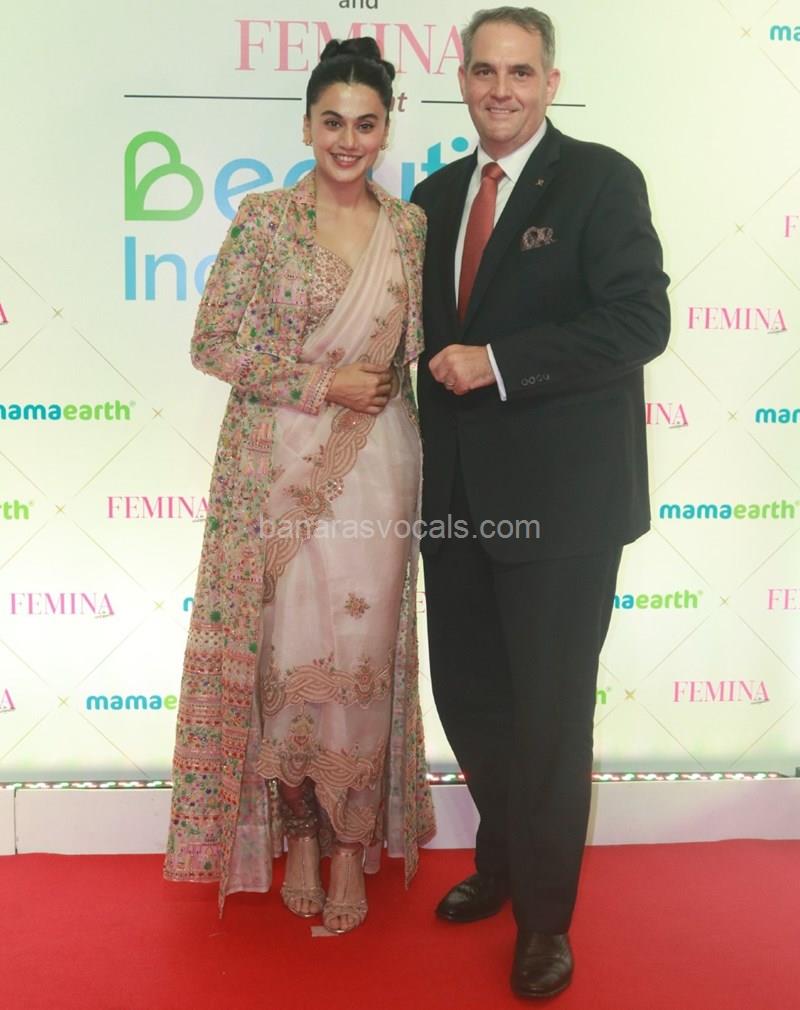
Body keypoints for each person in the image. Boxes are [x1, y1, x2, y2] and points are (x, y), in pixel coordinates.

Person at [411, 6, 669, 998]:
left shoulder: (601, 179)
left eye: (520, 72)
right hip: (454, 502)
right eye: (485, 70)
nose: (501, 89)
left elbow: (638, 321)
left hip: (562, 509)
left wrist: (502, 362)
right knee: (469, 698)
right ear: (463, 81)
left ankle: (545, 922)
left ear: (550, 82)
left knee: (550, 718)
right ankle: (505, 858)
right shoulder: (435, 195)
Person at [164, 37, 434, 934]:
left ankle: (352, 842)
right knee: (287, 654)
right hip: (277, 468)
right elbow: (212, 343)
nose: (348, 140)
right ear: (306, 125)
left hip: (377, 468)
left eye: (365, 124)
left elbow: (415, 354)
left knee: (361, 653)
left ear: (386, 130)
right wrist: (323, 383)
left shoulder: (410, 228)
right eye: (332, 122)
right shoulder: (266, 218)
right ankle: (303, 835)